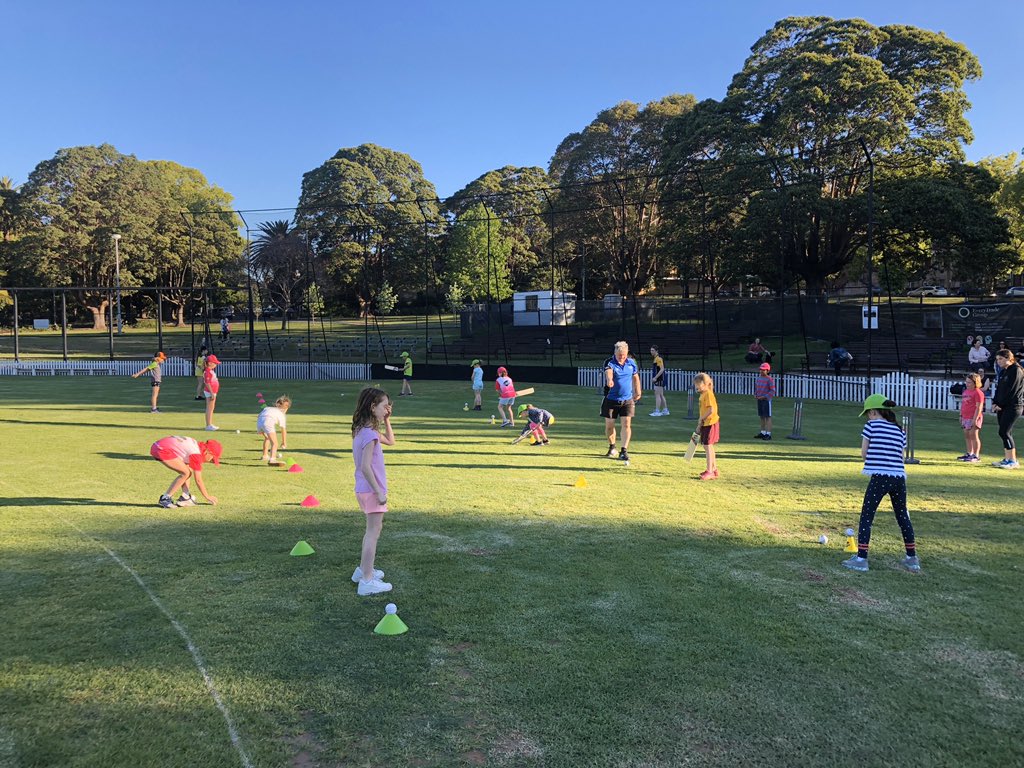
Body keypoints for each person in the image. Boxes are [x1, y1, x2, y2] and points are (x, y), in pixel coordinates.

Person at [842, 394, 919, 573]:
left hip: (879, 477)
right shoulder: (900, 430)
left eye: (868, 413)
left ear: (874, 412)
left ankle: (861, 559)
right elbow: (901, 456)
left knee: (867, 516)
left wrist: (873, 460)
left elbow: (864, 452)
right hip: (899, 478)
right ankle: (912, 558)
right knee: (902, 516)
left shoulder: (871, 426)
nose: (868, 417)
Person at [351, 386, 395, 596]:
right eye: (384, 405)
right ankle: (367, 581)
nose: (387, 408)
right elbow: (366, 467)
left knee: (372, 532)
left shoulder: (364, 430)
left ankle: (363, 571)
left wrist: (386, 419)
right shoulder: (369, 435)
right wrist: (379, 492)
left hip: (363, 489)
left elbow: (392, 441)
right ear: (372, 406)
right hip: (371, 490)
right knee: (373, 533)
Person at [148, 435, 221, 508]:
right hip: (161, 449)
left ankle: (185, 497)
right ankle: (165, 498)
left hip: (158, 446)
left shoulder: (197, 447)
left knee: (187, 471)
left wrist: (186, 494)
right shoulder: (196, 454)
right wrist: (207, 496)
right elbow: (198, 480)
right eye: (212, 459)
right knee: (185, 473)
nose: (210, 461)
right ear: (208, 452)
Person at [601, 341, 642, 463]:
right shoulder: (610, 362)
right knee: (609, 426)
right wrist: (609, 380)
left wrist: (638, 391)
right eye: (619, 355)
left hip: (627, 399)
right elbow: (608, 372)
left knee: (626, 424)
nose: (622, 357)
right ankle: (612, 447)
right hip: (611, 400)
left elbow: (635, 378)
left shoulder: (631, 363)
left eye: (624, 355)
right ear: (615, 352)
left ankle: (624, 451)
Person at [991, 349, 1024, 469]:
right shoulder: (1003, 371)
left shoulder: (1016, 370)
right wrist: (995, 402)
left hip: (1013, 406)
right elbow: (1000, 389)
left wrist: (1002, 404)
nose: (998, 361)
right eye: (997, 359)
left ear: (1009, 358)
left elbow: (1012, 391)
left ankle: (1013, 461)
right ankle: (1007, 458)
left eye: (1001, 359)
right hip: (1002, 406)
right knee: (1005, 432)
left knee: (1004, 431)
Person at [693, 372, 719, 480]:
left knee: (708, 446)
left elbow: (711, 409)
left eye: (698, 384)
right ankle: (714, 469)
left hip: (710, 423)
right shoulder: (703, 394)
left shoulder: (708, 394)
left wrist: (702, 419)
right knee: (706, 445)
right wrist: (700, 423)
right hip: (705, 423)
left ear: (704, 384)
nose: (696, 387)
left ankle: (710, 471)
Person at [957, 373, 984, 463]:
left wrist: (975, 419)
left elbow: (979, 407)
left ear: (975, 382)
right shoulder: (965, 392)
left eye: (969, 382)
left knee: (973, 435)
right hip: (965, 417)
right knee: (967, 435)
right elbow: (963, 404)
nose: (967, 384)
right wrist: (961, 415)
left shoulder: (978, 393)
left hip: (974, 417)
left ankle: (976, 455)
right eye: (966, 382)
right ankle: (969, 453)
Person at [257, 396, 291, 463]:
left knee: (267, 438)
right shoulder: (281, 415)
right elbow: (283, 430)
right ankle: (272, 459)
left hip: (259, 422)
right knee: (275, 443)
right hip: (268, 423)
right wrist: (284, 442)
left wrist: (260, 428)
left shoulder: (268, 408)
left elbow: (259, 415)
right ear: (286, 408)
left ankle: (265, 455)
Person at [754, 362, 776, 439]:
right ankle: (763, 432)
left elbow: (772, 391)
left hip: (766, 400)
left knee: (768, 417)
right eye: (761, 370)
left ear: (768, 371)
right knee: (762, 416)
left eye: (763, 370)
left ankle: (768, 434)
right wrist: (756, 394)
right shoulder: (759, 378)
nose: (761, 371)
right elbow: (757, 388)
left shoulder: (770, 379)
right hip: (759, 399)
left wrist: (764, 397)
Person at [203, 354, 221, 431]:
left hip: (212, 391)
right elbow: (207, 383)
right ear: (210, 363)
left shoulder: (210, 371)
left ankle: (209, 424)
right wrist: (212, 392)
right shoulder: (208, 372)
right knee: (210, 408)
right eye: (215, 363)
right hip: (210, 392)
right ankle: (208, 425)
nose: (216, 364)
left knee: (211, 408)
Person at [649, 346, 669, 416]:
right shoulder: (656, 358)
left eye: (652, 350)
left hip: (660, 379)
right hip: (660, 379)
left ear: (656, 351)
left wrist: (655, 378)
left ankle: (657, 411)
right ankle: (665, 410)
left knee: (657, 395)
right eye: (651, 350)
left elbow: (662, 369)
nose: (651, 352)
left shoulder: (658, 358)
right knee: (661, 395)